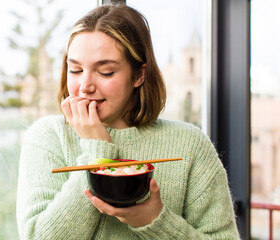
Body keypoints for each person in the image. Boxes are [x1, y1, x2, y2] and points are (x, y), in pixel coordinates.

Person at [16, 4, 240, 240]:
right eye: (75, 69)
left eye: (105, 72)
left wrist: (155, 221)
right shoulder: (47, 136)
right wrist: (97, 149)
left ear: (139, 75)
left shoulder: (190, 144)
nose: (85, 86)